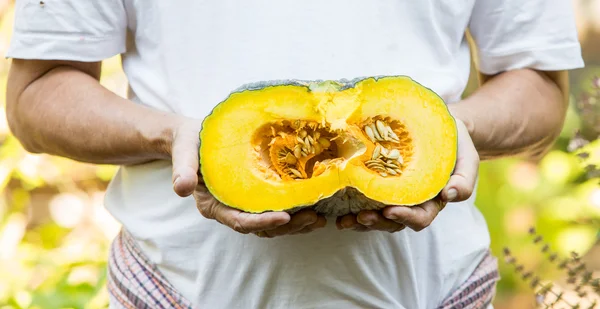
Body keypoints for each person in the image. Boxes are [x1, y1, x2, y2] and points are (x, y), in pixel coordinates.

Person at [5, 0, 583, 308]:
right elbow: (38, 91)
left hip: (436, 291)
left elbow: (538, 80)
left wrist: (450, 132)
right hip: (178, 291)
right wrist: (170, 135)